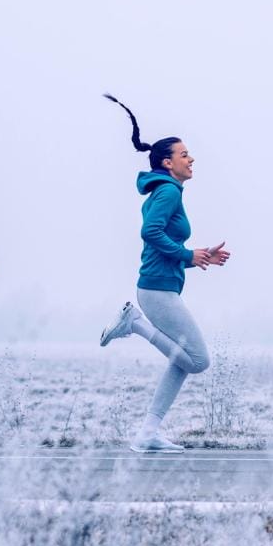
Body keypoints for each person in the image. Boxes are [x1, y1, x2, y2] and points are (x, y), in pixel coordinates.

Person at [98, 94, 231, 453]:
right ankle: (135, 324)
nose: (191, 159)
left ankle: (147, 433)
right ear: (167, 162)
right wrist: (188, 252)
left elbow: (162, 242)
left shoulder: (168, 190)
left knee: (182, 362)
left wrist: (197, 257)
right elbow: (150, 233)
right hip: (156, 290)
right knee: (199, 361)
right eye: (184, 154)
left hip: (162, 284)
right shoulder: (169, 191)